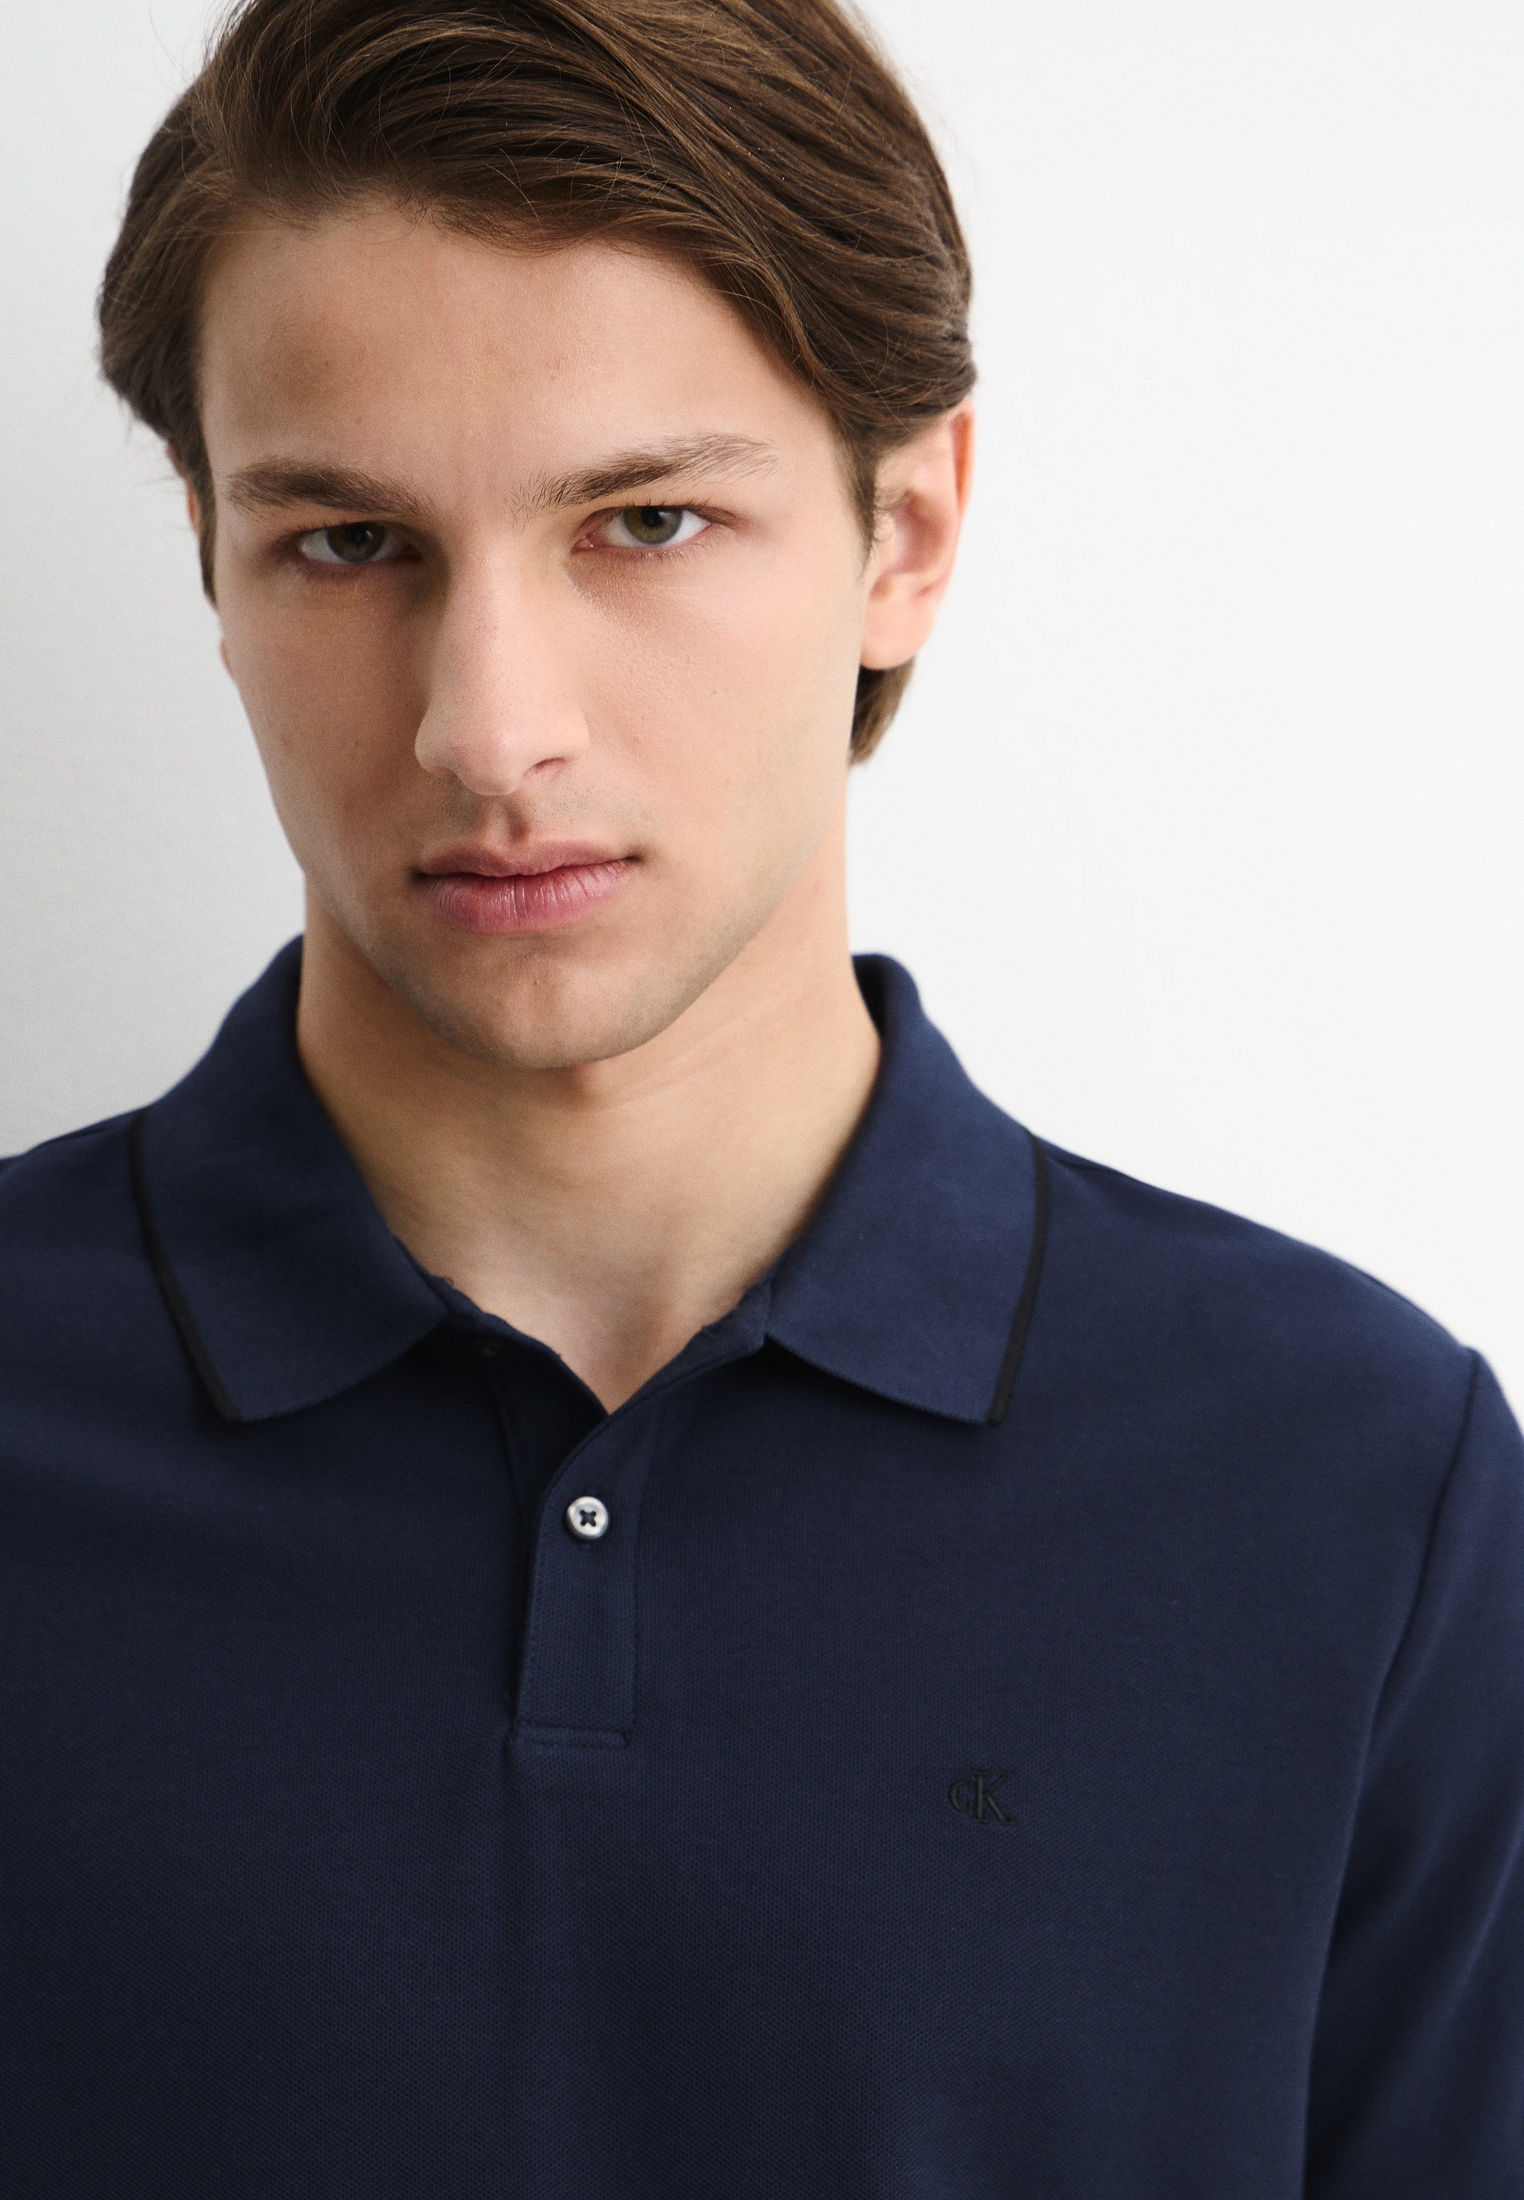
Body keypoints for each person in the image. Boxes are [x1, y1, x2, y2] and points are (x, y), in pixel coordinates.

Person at [2, 0, 1519, 2192]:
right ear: (211, 557)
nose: (487, 729)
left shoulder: (1360, 1488)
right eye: (346, 542)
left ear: (910, 527)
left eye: (643, 520)